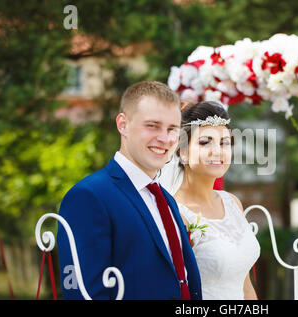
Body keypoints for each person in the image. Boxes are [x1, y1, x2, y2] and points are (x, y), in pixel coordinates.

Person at [57, 81, 202, 300]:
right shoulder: (89, 197)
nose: (165, 138)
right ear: (123, 124)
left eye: (172, 128)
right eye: (152, 126)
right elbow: (85, 294)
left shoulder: (166, 199)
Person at [160, 101, 260, 300]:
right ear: (182, 151)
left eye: (224, 142)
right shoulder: (175, 214)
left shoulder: (232, 203)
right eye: (205, 142)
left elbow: (245, 286)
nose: (218, 151)